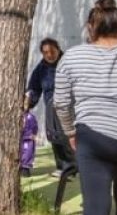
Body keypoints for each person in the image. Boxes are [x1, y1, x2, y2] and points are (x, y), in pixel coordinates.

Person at [55, 0, 117, 214]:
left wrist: (70, 132)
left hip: (92, 137)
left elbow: (61, 102)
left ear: (90, 27)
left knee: (95, 207)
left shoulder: (72, 57)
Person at [26, 38, 75, 177]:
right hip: (50, 106)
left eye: (52, 51)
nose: (49, 55)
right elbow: (34, 88)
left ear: (58, 49)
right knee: (54, 136)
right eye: (45, 52)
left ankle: (73, 166)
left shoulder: (68, 63)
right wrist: (29, 102)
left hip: (69, 106)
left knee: (68, 135)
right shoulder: (40, 69)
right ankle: (62, 166)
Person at [21, 94, 38, 178]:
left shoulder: (30, 117)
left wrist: (32, 135)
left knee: (27, 153)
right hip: (21, 139)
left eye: (26, 104)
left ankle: (25, 168)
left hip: (28, 139)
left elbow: (34, 128)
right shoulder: (20, 116)